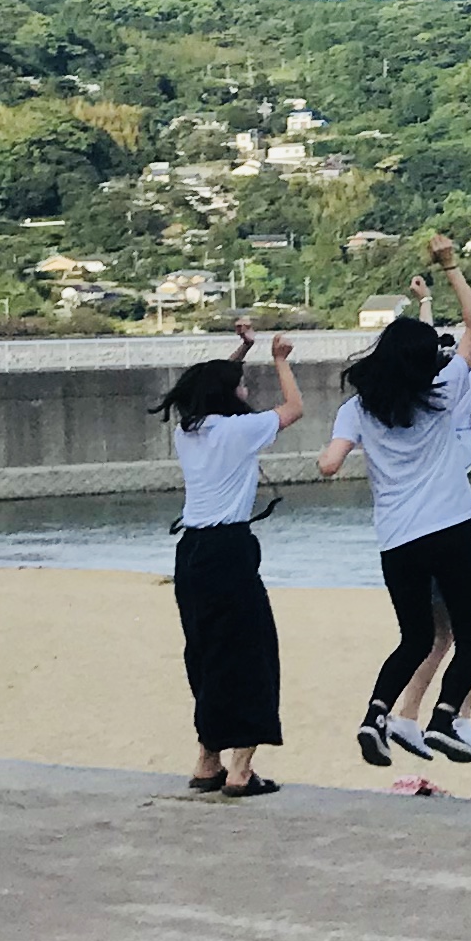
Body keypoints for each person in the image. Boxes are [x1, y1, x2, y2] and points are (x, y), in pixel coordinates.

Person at [315, 247, 471, 769]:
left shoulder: (357, 408)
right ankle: (444, 718)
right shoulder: (442, 390)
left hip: (396, 539)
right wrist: (450, 266)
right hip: (449, 528)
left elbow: (328, 464)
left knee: (415, 638)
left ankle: (374, 716)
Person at [153, 327, 302, 796]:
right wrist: (280, 359)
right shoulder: (240, 431)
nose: (246, 390)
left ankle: (207, 761)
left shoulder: (187, 432)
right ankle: (240, 771)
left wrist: (245, 349)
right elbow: (294, 408)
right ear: (227, 394)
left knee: (206, 654)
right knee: (251, 654)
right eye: (241, 385)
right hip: (229, 549)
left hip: (191, 551)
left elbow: (212, 383)